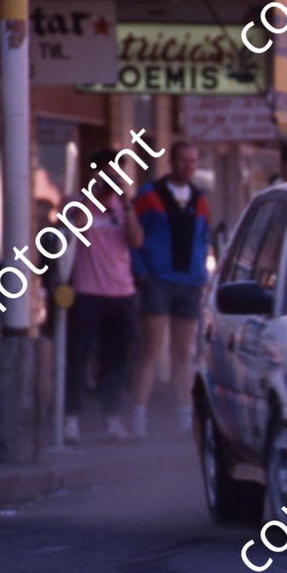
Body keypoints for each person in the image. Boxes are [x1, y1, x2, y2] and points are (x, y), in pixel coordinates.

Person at [131, 139, 210, 437]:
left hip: (189, 281)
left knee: (183, 351)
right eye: (183, 161)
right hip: (158, 278)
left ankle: (183, 414)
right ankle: (138, 414)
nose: (188, 167)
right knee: (150, 349)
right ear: (171, 162)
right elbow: (133, 234)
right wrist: (140, 270)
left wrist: (200, 267)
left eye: (193, 161)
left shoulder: (200, 198)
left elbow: (203, 237)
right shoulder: (149, 195)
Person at [64, 150, 144, 444]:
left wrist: (126, 203)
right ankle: (70, 418)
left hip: (121, 294)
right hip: (87, 293)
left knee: (117, 359)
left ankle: (112, 418)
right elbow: (75, 226)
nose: (113, 178)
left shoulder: (125, 208)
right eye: (108, 172)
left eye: (117, 172)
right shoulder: (79, 204)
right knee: (78, 356)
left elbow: (136, 241)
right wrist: (94, 192)